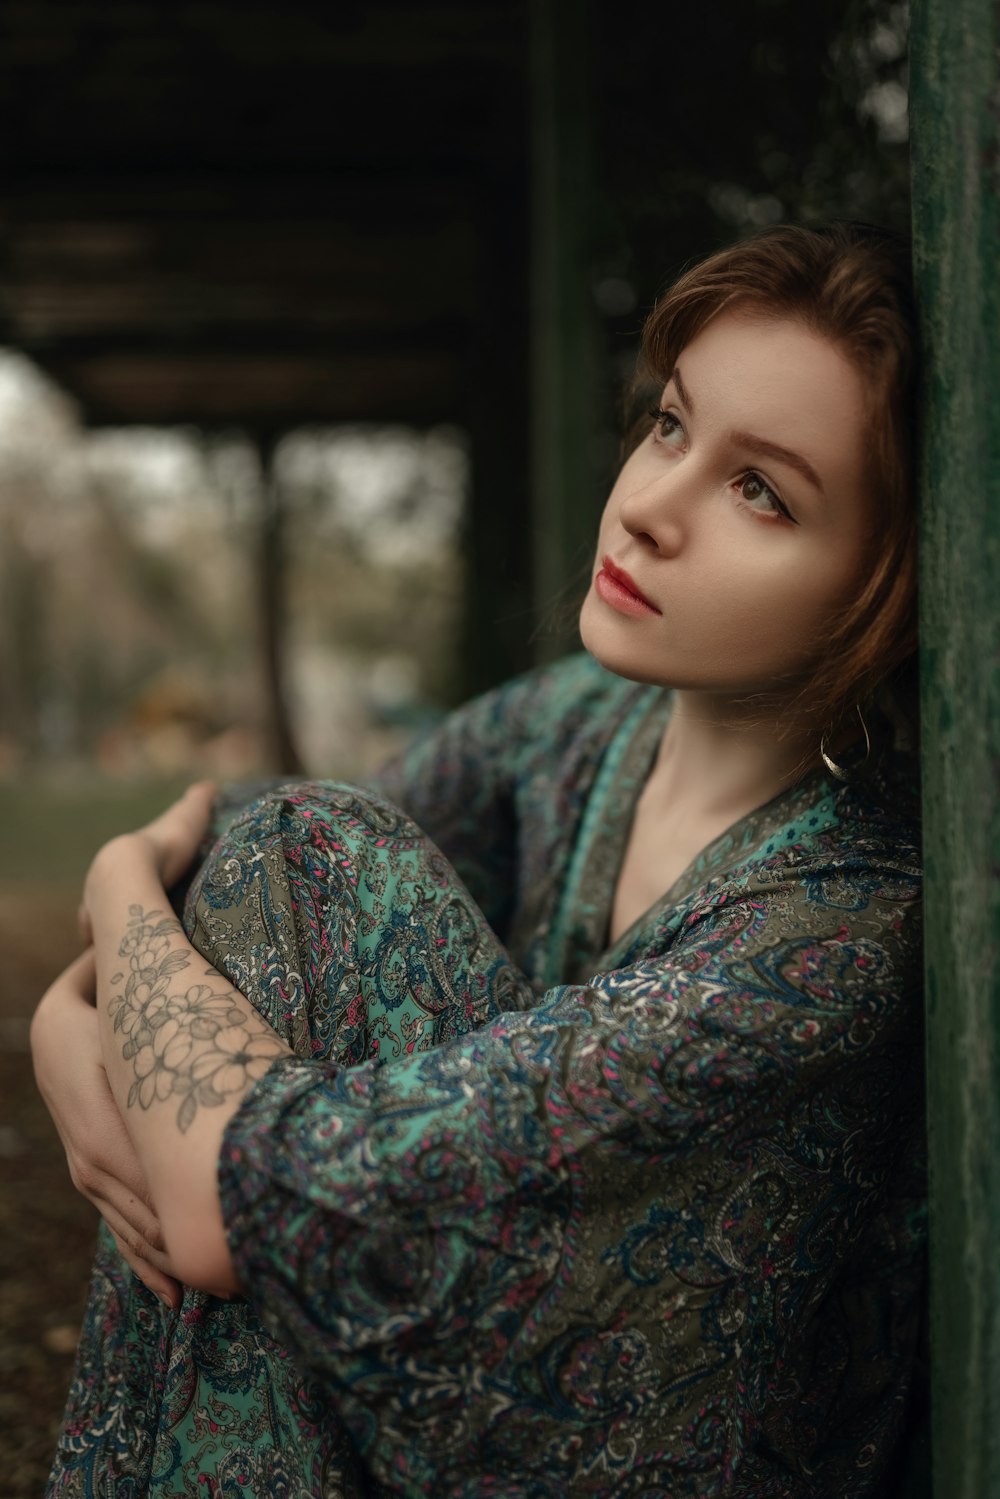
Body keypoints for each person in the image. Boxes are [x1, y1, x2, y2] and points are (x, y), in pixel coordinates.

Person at [32, 221, 925, 1498]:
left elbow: (242, 1197)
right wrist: (68, 1033)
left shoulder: (839, 929)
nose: (651, 506)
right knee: (288, 850)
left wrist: (116, 889)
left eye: (761, 491)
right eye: (672, 425)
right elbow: (241, 885)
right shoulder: (582, 721)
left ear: (882, 590)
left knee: (310, 847)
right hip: (428, 1394)